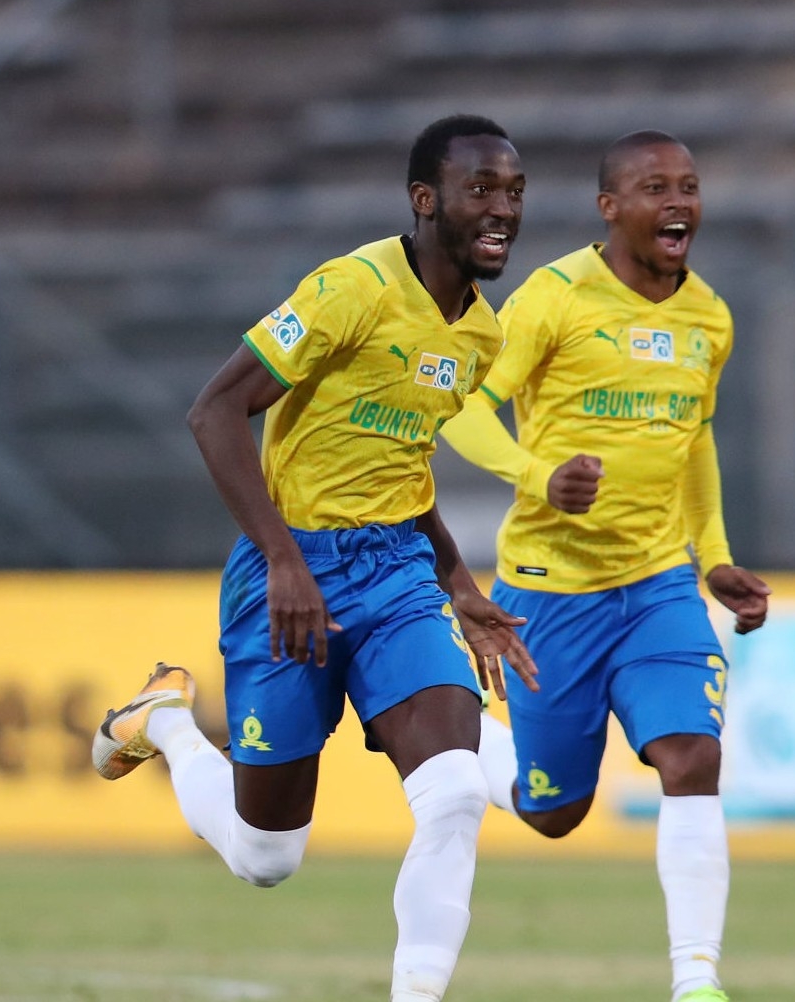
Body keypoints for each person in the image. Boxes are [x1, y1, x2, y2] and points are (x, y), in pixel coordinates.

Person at [90, 114, 540, 1002]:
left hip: (397, 575)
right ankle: (166, 722)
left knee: (455, 793)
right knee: (266, 857)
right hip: (288, 570)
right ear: (425, 200)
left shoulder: (480, 336)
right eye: (481, 190)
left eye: (515, 192)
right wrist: (284, 560)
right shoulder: (352, 289)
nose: (503, 210)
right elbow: (214, 412)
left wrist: (457, 582)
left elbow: (404, 467)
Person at [437, 130, 770, 1002]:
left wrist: (715, 558)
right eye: (656, 188)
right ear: (609, 207)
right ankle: (461, 738)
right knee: (553, 811)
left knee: (692, 757)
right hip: (553, 592)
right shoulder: (554, 298)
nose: (679, 202)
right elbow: (462, 410)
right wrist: (537, 475)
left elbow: (695, 440)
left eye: (689, 186)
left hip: (658, 586)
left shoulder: (710, 317)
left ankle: (696, 980)